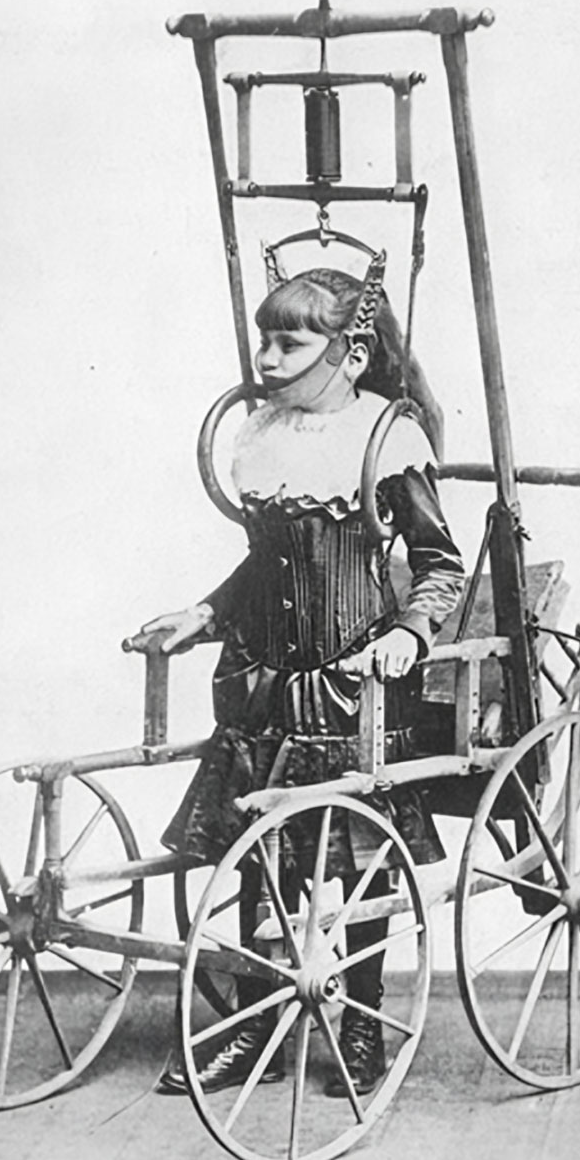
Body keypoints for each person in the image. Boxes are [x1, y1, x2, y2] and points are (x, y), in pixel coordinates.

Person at [141, 259, 464, 1097]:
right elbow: (263, 566)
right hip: (266, 686)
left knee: (360, 862)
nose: (267, 360)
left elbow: (440, 565)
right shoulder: (266, 435)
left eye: (289, 344)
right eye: (265, 341)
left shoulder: (386, 438)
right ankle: (257, 1023)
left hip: (355, 688)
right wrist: (204, 613)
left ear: (350, 355)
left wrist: (410, 632)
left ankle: (362, 1026)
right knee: (262, 859)